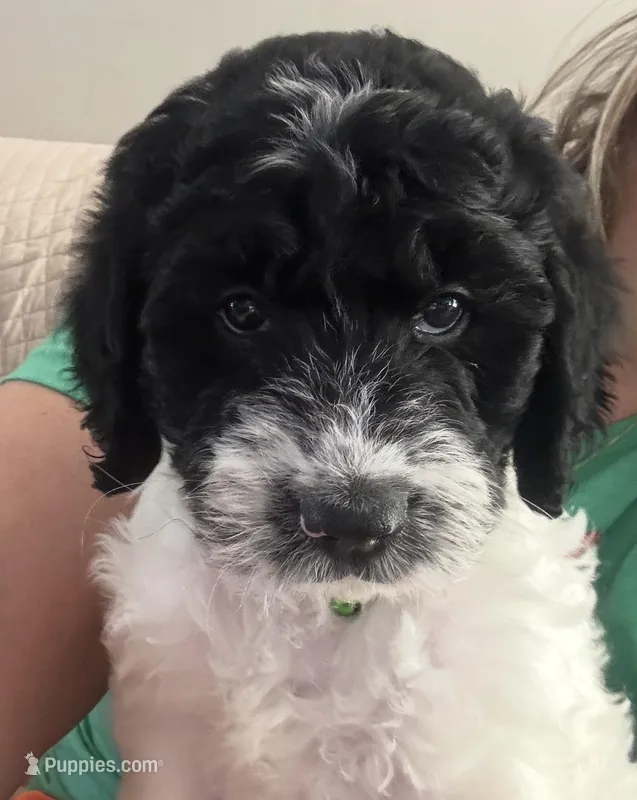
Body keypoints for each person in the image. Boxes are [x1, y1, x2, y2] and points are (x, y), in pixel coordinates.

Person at [3, 11, 637, 799]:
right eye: (243, 312)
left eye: (441, 315)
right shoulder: (165, 591)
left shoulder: (509, 623)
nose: (349, 462)